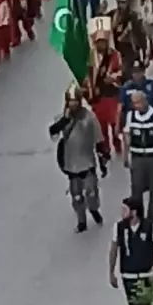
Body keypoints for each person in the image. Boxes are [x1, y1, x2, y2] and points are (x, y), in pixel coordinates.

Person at [48, 84, 105, 232]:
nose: (73, 104)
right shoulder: (63, 118)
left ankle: (93, 209)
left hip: (87, 162)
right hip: (71, 164)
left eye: (75, 100)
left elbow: (98, 140)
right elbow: (53, 133)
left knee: (91, 193)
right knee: (77, 196)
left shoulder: (89, 117)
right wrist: (64, 121)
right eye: (70, 101)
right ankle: (81, 221)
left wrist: (102, 159)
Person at [108, 196, 153, 305]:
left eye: (125, 210)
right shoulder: (119, 228)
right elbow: (113, 250)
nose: (122, 213)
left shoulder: (150, 226)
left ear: (134, 212)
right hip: (128, 275)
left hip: (146, 275)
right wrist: (111, 272)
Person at [122, 87, 153, 226]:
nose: (137, 106)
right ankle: (139, 216)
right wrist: (126, 155)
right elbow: (127, 135)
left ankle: (150, 220)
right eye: (134, 103)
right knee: (136, 189)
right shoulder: (131, 116)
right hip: (138, 157)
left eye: (139, 102)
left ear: (145, 101)